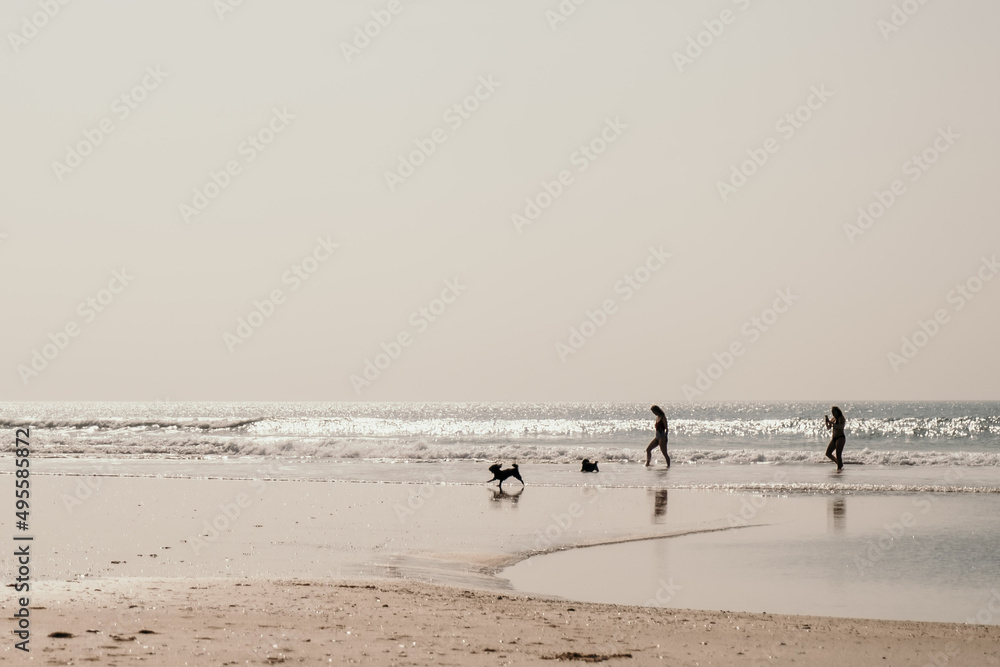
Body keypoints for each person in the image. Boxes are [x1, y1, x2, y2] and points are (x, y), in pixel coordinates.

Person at [824, 406, 846, 470]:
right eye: (832, 412)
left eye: (834, 412)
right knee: (828, 453)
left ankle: (839, 468)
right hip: (834, 438)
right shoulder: (833, 419)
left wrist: (832, 423)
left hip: (840, 437)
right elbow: (829, 428)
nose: (833, 413)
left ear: (838, 411)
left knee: (838, 455)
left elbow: (840, 426)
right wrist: (827, 422)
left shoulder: (841, 418)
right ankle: (839, 463)